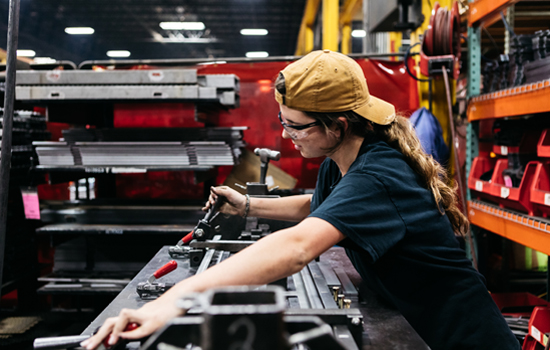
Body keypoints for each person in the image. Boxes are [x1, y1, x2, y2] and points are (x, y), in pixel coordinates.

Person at [82, 50, 519, 350]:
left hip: (460, 337)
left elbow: (296, 247)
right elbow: (319, 207)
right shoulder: (343, 156)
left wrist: (175, 301)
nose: (287, 137)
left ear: (340, 124)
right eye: (283, 122)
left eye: (297, 126)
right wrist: (247, 204)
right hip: (420, 322)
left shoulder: (379, 174)